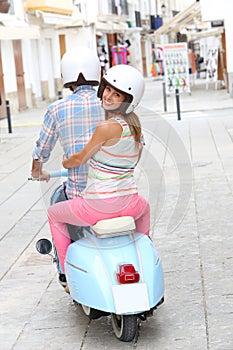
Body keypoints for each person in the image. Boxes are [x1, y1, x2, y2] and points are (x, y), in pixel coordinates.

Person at [47, 64, 150, 287]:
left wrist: (65, 161)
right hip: (131, 202)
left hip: (98, 206)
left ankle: (65, 273)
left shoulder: (106, 127)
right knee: (146, 208)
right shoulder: (135, 128)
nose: (109, 96)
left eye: (117, 94)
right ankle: (145, 255)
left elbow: (79, 159)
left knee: (54, 214)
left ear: (127, 100)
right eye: (108, 90)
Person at [30, 46, 104, 289]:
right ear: (97, 72)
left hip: (80, 197)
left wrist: (36, 171)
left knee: (55, 210)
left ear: (66, 76)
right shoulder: (110, 104)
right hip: (116, 192)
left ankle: (64, 272)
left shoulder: (57, 109)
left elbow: (42, 148)